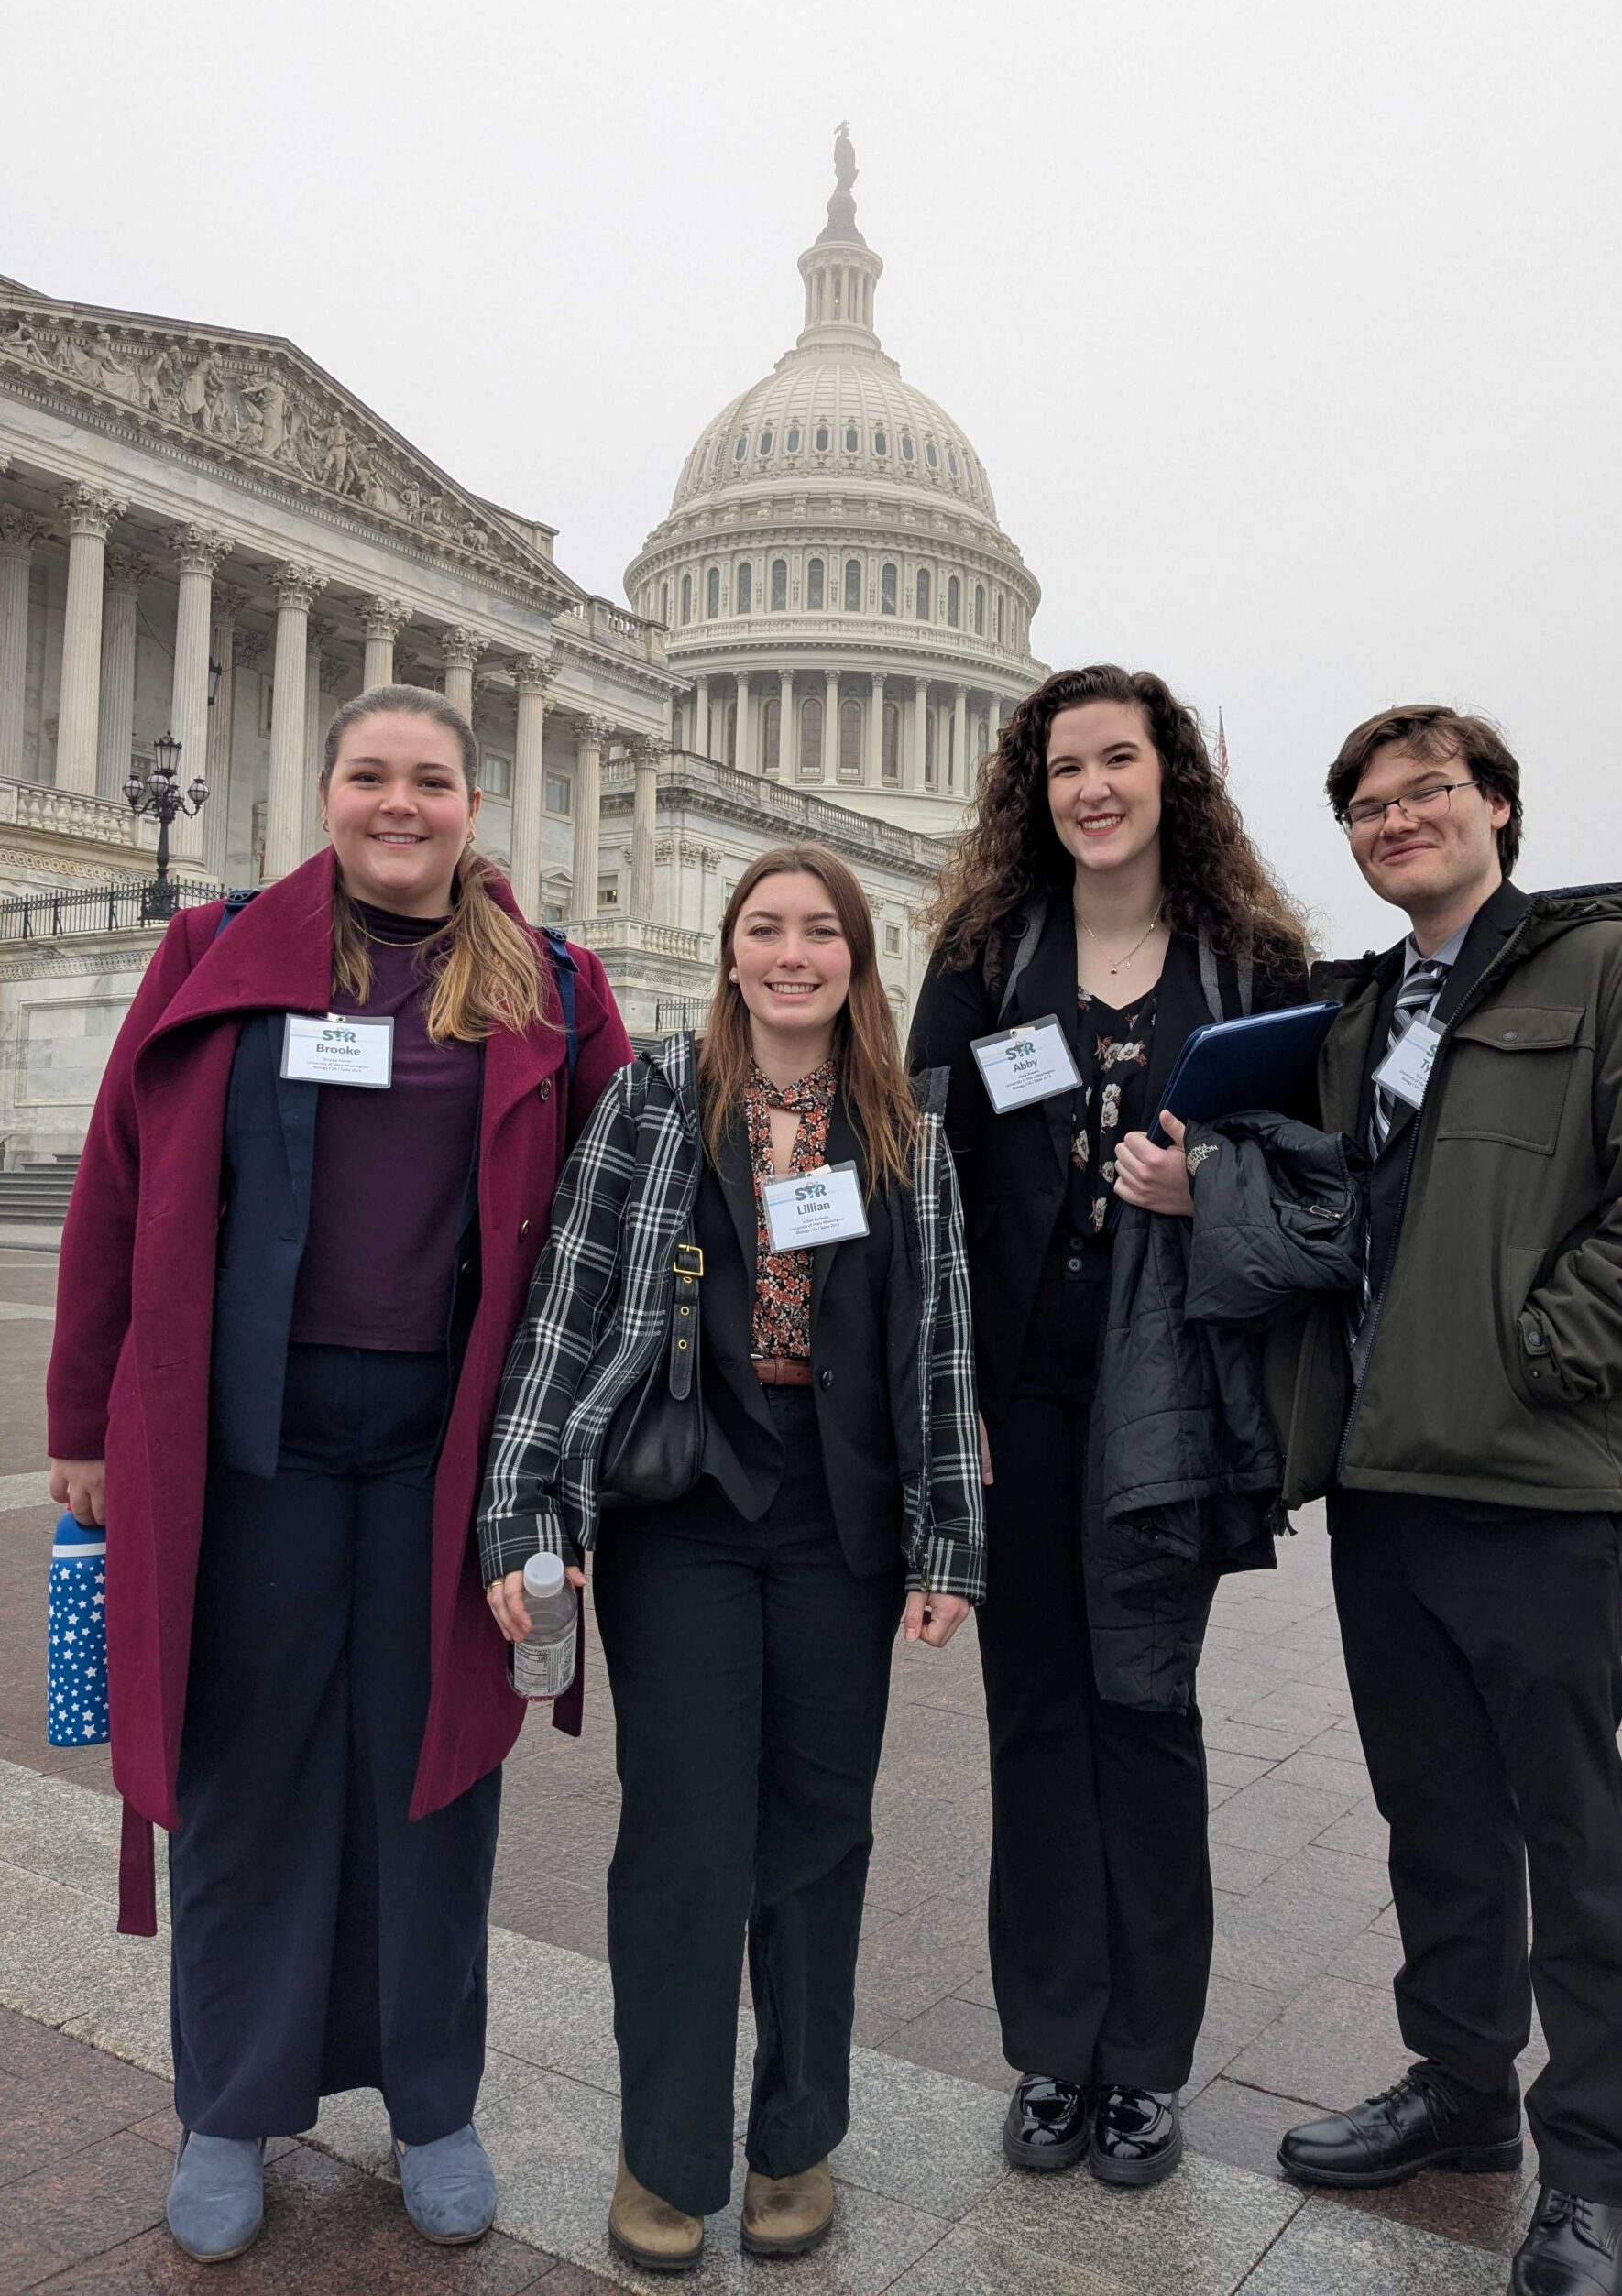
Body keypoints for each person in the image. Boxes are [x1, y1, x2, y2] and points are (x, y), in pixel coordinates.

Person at [45, 684, 630, 2264]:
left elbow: (608, 1241)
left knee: (436, 1780)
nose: (400, 803)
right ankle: (228, 2110)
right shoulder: (210, 960)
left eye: (430, 780)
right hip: (254, 1450)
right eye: (370, 775)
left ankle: (432, 2103)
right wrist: (82, 1425)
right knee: (247, 1778)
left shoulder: (558, 995)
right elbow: (112, 1187)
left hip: (455, 1463)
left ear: (471, 806)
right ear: (323, 795)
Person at [1271, 705, 1622, 2296]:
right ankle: (1464, 2096)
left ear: (1498, 808)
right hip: (1385, 1478)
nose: (1396, 821)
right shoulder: (1364, 1014)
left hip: (1539, 1482)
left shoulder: (1621, 974)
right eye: (1366, 806)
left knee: (1572, 1829)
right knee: (1439, 1818)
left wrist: (1542, 1355)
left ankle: (1596, 2172)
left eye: (1427, 794)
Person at [477, 841, 985, 2274]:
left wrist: (950, 1538)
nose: (792, 955)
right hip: (684, 1515)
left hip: (840, 1524)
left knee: (822, 1835)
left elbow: (938, 1349)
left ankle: (797, 2137)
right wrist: (526, 1510)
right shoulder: (651, 1103)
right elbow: (565, 1311)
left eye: (820, 933)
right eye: (765, 929)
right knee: (686, 1834)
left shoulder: (905, 1130)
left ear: (855, 958)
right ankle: (669, 2150)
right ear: (729, 952)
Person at [908, 664, 1309, 2186]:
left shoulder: (1255, 958)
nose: (1092, 787)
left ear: (1169, 776)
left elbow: (1317, 1175)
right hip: (1020, 1403)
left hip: (1174, 1403)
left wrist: (1205, 1184)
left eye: (1119, 759)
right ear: (1035, 787)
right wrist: (954, 1409)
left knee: (1147, 1714)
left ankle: (1146, 2064)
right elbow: (926, 1183)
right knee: (1037, 1722)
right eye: (1065, 763)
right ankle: (1052, 2057)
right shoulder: (988, 952)